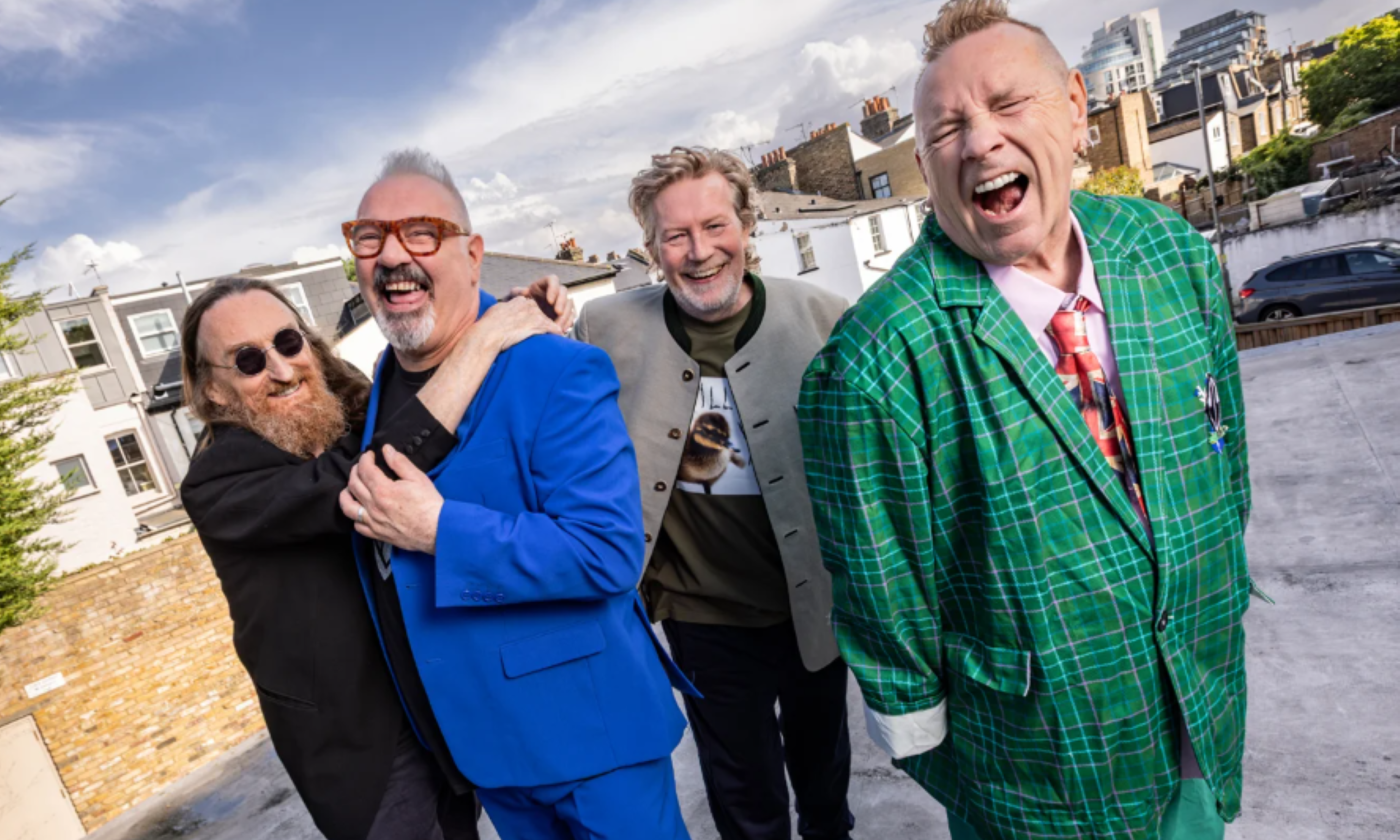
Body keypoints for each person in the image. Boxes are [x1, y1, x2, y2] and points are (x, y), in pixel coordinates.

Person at [796, 2, 1255, 839]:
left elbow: (1227, 470)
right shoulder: (870, 364)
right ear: (927, 168)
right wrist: (981, 783)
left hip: (1200, 713)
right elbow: (886, 619)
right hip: (1037, 778)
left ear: (1078, 109)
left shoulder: (1173, 253)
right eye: (945, 130)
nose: (979, 143)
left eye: (1009, 105)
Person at [336, 148, 695, 840]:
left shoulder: (556, 367)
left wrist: (441, 530)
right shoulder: (379, 381)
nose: (390, 256)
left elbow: (607, 552)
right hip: (485, 753)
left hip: (594, 745)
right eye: (369, 237)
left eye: (421, 233)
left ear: (473, 255)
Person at [180, 273, 570, 840]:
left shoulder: (361, 406)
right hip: (360, 746)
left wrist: (521, 324)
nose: (283, 370)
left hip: (439, 700)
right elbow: (362, 480)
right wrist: (483, 339)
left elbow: (446, 412)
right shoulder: (217, 483)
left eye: (288, 343)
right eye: (248, 360)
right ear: (212, 390)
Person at [575, 147, 854, 840]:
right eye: (675, 235)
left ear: (747, 226)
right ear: (651, 249)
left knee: (824, 785)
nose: (699, 252)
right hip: (704, 618)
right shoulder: (604, 332)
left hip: (812, 601)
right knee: (744, 802)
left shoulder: (826, 316)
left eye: (715, 226)